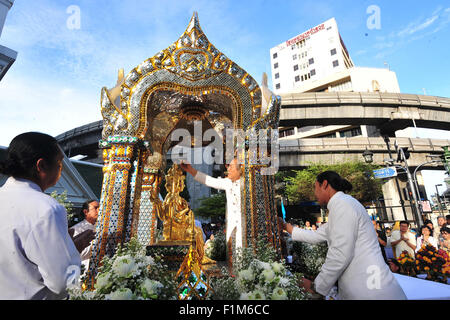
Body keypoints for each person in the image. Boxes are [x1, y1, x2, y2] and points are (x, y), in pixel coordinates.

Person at [279, 171, 406, 300]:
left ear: (324, 184)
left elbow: (340, 253)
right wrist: (285, 226)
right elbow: (316, 236)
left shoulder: (343, 205)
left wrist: (316, 287)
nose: (314, 193)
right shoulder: (341, 205)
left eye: (315, 187)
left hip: (370, 288)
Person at [0, 132, 81, 299]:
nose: (61, 170)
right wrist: (71, 257)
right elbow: (64, 283)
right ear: (41, 165)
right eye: (59, 163)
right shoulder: (47, 209)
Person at [180, 158, 243, 262]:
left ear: (240, 170)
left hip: (244, 231)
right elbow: (209, 181)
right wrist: (190, 170)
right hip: (232, 231)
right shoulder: (228, 183)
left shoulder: (247, 185)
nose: (228, 168)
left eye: (231, 166)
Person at [69, 200, 99, 273]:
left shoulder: (102, 226)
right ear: (86, 212)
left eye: (100, 207)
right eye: (96, 208)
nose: (99, 210)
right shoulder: (76, 229)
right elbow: (76, 253)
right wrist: (98, 244)